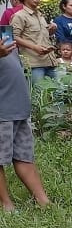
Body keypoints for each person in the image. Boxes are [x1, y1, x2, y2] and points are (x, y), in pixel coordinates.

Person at [0, 37, 50, 212]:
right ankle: (6, 205)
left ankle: (43, 201)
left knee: (23, 155)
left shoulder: (4, 32)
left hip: (18, 106)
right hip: (2, 108)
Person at [10, 0, 57, 86]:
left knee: (58, 93)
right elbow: (13, 37)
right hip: (34, 64)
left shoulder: (40, 15)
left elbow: (40, 36)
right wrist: (34, 47)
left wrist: (51, 30)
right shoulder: (19, 16)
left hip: (50, 61)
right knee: (38, 93)